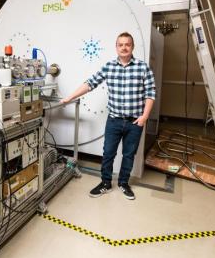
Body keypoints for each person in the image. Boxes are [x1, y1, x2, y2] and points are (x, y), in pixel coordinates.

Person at [61, 32, 155, 200]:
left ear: (132, 47)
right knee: (108, 153)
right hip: (114, 120)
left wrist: (144, 117)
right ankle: (105, 183)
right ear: (116, 47)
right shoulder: (109, 67)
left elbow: (150, 94)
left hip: (135, 122)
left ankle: (123, 183)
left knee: (128, 154)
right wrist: (70, 97)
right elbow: (90, 84)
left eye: (127, 44)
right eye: (121, 44)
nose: (124, 47)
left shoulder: (143, 68)